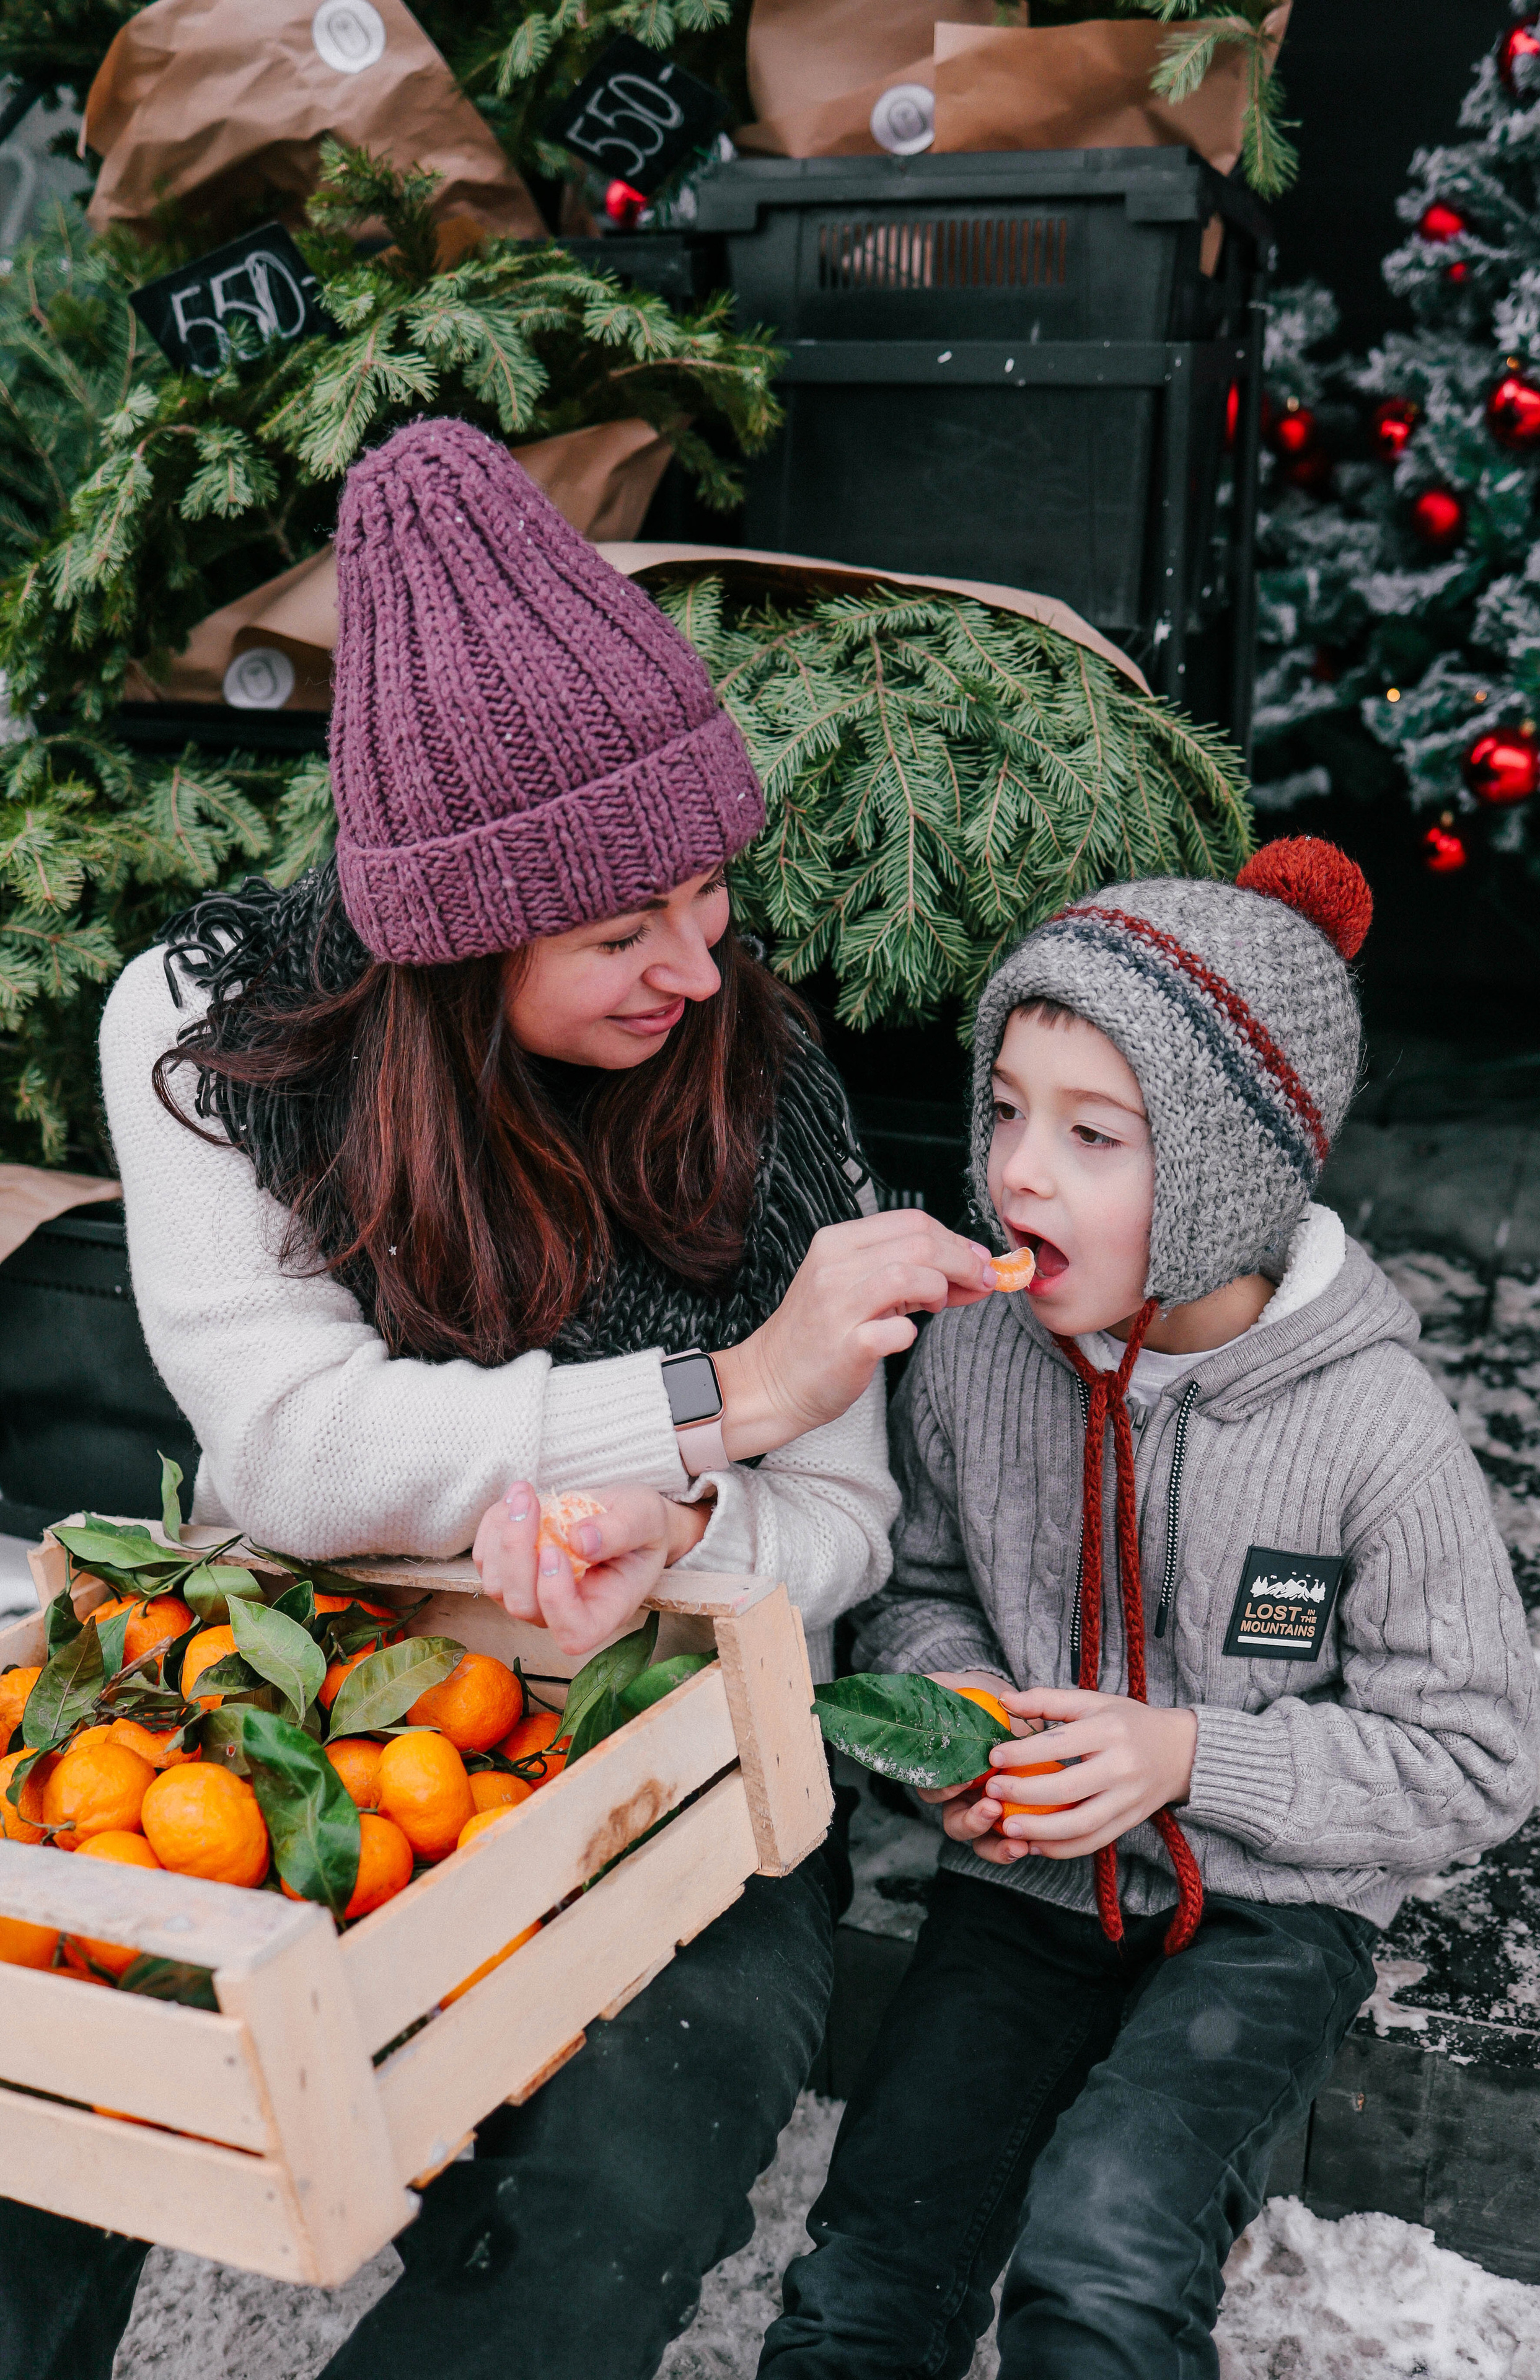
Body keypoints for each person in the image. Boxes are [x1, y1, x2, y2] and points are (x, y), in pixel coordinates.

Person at [0, 418, 1001, 2380]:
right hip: (293, 1678)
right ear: (451, 948)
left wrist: (680, 1517)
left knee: (641, 2148)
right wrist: (721, 1390)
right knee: (71, 2037)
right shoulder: (216, 1034)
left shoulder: (758, 1081)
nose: (694, 968)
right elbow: (294, 1454)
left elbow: (843, 1526)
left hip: (653, 1724)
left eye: (708, 895)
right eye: (621, 932)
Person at [758, 839, 1540, 2380]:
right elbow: (919, 1592)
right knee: (867, 2275)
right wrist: (961, 1727)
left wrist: (1187, 1758)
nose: (1016, 1171)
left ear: (1224, 1176)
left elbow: (1473, 1758)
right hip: (1031, 1889)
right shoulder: (977, 1355)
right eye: (1003, 1111)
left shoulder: (1369, 1425)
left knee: (1103, 2262)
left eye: (1091, 1135)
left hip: (1268, 1909)